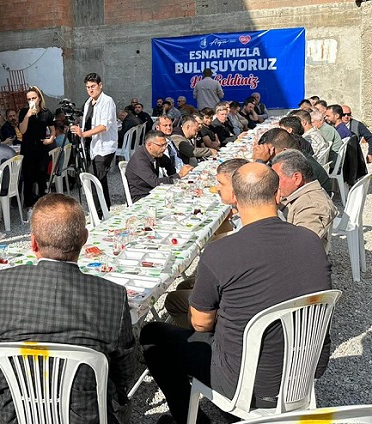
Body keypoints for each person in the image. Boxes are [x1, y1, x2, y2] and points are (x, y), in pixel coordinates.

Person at [141, 162, 332, 424]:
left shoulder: (221, 252)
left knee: (153, 335)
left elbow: (201, 323)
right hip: (304, 370)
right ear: (278, 195)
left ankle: (194, 419)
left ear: (235, 199)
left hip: (247, 383)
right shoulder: (310, 241)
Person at [0, 193, 135, 424]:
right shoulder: (112, 296)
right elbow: (125, 374)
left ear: (33, 242)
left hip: (14, 415)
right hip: (86, 418)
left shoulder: (2, 284)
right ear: (84, 239)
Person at [164, 158, 249, 329]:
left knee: (171, 301)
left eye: (221, 183)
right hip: (246, 302)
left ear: (236, 188)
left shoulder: (225, 248)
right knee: (183, 285)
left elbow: (202, 321)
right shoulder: (256, 216)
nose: (216, 188)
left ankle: (200, 339)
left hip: (232, 317)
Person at [271, 150, 337, 252]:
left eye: (277, 179)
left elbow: (302, 246)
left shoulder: (312, 206)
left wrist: (272, 211)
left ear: (297, 178)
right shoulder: (294, 193)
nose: (274, 184)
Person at [71, 73, 118, 209]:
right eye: (88, 87)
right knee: (98, 179)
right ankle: (105, 208)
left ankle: (99, 211)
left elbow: (104, 126)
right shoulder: (88, 103)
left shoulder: (107, 101)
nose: (90, 90)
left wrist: (84, 134)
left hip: (104, 146)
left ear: (100, 85)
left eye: (93, 86)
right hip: (91, 146)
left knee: (96, 179)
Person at [252, 128, 332, 195]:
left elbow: (261, 189)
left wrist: (259, 161)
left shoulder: (300, 167)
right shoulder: (299, 157)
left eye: (271, 153)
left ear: (285, 151)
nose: (270, 158)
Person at [126, 130, 193, 202]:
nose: (164, 148)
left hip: (153, 191)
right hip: (142, 196)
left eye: (165, 145)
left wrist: (175, 178)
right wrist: (179, 175)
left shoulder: (155, 153)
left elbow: (168, 163)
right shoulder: (140, 160)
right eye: (161, 145)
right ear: (149, 145)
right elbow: (155, 183)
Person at [19, 86, 55, 207]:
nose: (32, 101)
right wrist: (27, 116)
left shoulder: (46, 112)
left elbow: (52, 129)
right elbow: (22, 130)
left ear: (39, 98)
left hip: (41, 148)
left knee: (42, 177)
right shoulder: (24, 112)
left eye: (34, 98)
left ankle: (43, 203)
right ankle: (28, 202)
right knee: (28, 177)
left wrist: (51, 139)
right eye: (29, 99)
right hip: (28, 148)